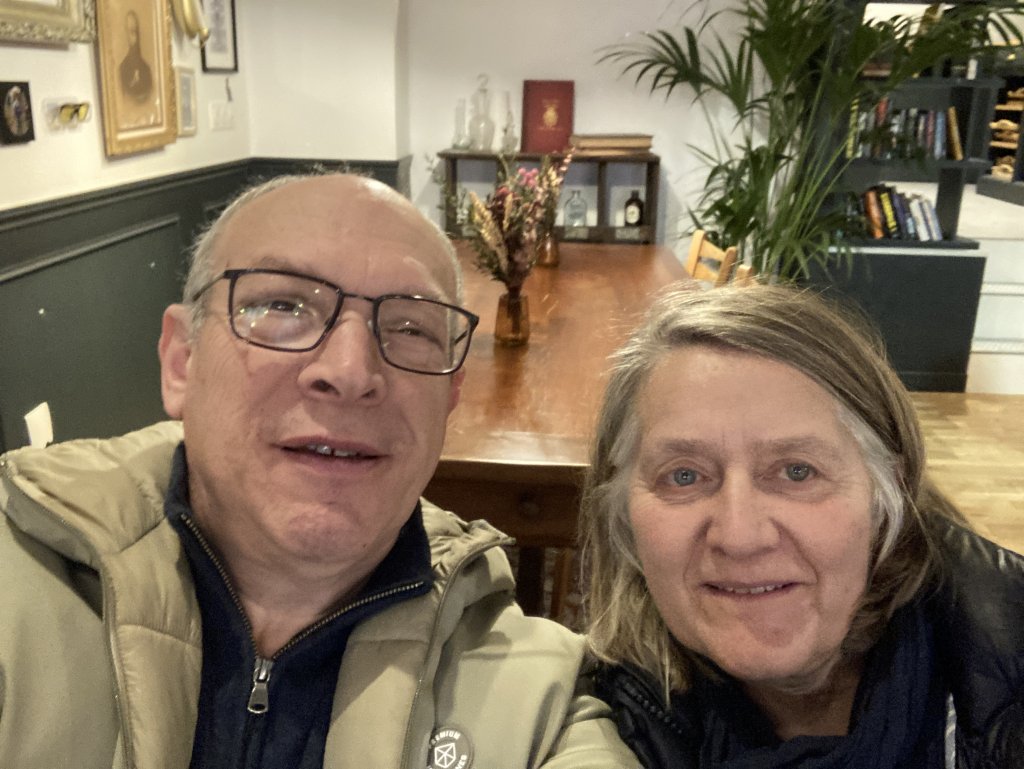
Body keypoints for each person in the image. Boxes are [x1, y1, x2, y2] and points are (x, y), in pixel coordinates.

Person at [0, 173, 640, 769]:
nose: (351, 371)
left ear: (450, 395)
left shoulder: (544, 706)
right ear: (181, 362)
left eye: (411, 327)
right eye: (282, 305)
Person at [579, 284, 1024, 768]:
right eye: (684, 476)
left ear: (886, 493)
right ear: (619, 510)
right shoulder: (584, 720)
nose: (740, 537)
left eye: (797, 471)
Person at [119, 10, 153, 103]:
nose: (134, 36)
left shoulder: (146, 69)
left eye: (135, 31)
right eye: (131, 31)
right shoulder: (123, 68)